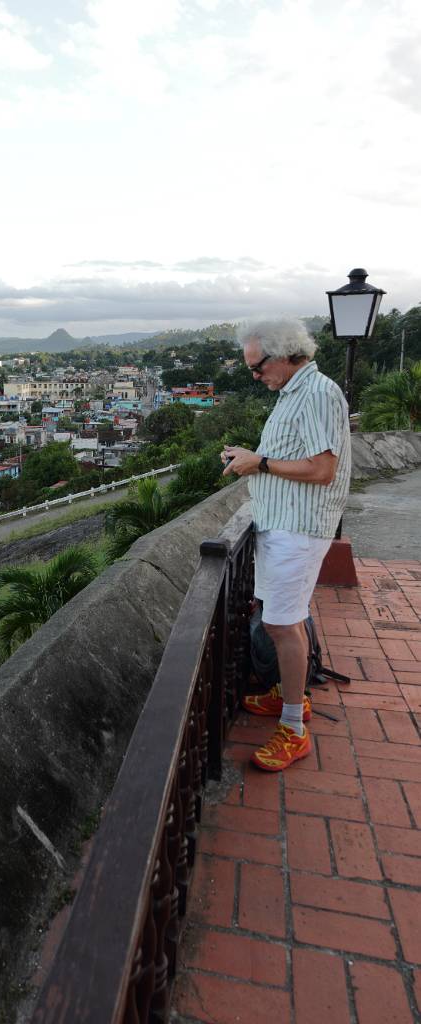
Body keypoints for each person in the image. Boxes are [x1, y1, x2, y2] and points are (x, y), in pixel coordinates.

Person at [222, 318, 350, 771]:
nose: (256, 377)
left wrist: (261, 462)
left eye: (258, 367)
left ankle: (294, 728)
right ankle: (288, 697)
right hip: (284, 525)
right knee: (284, 621)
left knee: (282, 625)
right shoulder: (295, 394)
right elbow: (291, 459)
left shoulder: (316, 394)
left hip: (299, 529)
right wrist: (253, 460)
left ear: (284, 355)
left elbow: (322, 469)